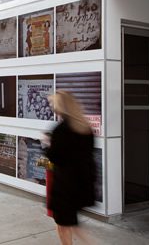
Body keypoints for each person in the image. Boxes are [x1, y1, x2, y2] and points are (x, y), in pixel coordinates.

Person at [45, 90, 96, 245]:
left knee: (64, 224)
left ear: (60, 106)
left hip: (64, 186)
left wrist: (46, 144)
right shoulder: (85, 128)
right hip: (81, 183)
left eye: (53, 104)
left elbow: (55, 158)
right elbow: (87, 155)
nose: (52, 107)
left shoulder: (60, 131)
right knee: (70, 224)